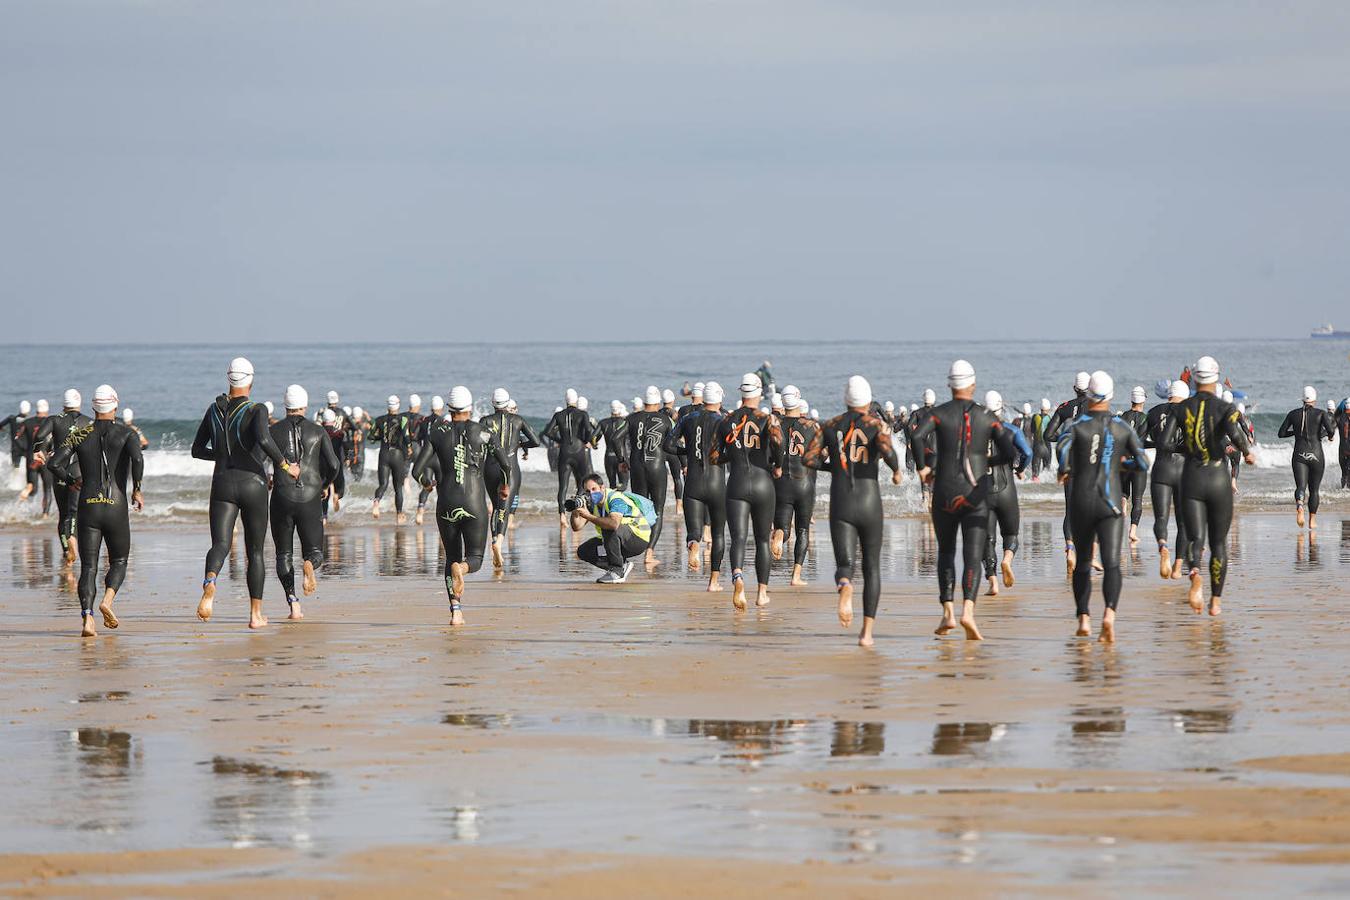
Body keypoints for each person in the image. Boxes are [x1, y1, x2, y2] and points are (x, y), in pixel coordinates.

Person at [908, 360, 1018, 640]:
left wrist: (923, 468)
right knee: (972, 552)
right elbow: (1008, 452)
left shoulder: (938, 413)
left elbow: (916, 436)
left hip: (945, 490)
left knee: (945, 551)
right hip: (975, 493)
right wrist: (984, 459)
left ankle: (947, 612)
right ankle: (968, 611)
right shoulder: (986, 416)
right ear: (973, 385)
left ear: (949, 384)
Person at [192, 358, 299, 629]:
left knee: (220, 545)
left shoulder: (213, 410)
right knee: (256, 552)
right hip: (253, 484)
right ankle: (255, 615)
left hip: (222, 484)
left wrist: (220, 454)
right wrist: (286, 466)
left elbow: (196, 450)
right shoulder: (257, 409)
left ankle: (210, 580)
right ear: (251, 381)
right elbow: (264, 440)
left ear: (229, 379)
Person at [804, 376, 902, 646]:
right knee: (871, 567)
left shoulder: (830, 425)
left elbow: (808, 458)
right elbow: (888, 451)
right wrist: (895, 470)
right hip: (869, 499)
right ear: (868, 401)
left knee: (845, 564)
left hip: (842, 500)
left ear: (846, 400)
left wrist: (835, 465)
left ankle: (845, 585)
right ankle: (867, 633)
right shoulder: (875, 424)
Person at [44, 385, 144, 638]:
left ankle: (88, 619)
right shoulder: (126, 433)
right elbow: (138, 459)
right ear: (116, 405)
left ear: (92, 407)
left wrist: (69, 480)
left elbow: (54, 462)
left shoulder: (80, 434)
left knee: (88, 567)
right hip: (116, 506)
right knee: (119, 560)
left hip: (88, 506)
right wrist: (137, 490)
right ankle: (107, 601)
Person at [1057, 372, 1149, 643]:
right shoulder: (1122, 427)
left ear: (1088, 395)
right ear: (1110, 396)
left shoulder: (1075, 425)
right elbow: (1143, 462)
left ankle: (1084, 618)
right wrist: (1122, 464)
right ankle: (1108, 615)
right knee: (1111, 564)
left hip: (1082, 502)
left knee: (1083, 564)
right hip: (1110, 502)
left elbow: (1062, 448)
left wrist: (1065, 469)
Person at [1159, 356, 1255, 616]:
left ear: (1195, 378)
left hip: (1191, 477)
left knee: (1195, 537)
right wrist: (1246, 452)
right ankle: (1215, 601)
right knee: (1219, 543)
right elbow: (1236, 434)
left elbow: (1165, 444)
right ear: (1215, 377)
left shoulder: (1180, 409)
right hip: (1218, 479)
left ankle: (1195, 576)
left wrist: (1188, 447)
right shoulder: (1225, 408)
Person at [413, 386, 510, 624]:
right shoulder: (483, 432)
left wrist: (426, 483)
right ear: (469, 407)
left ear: (449, 408)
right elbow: (506, 465)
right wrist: (504, 487)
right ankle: (464, 570)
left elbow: (417, 470)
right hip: (474, 503)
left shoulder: (437, 432)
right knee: (474, 556)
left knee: (450, 557)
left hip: (446, 503)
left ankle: (456, 611)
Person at [710, 373, 784, 610]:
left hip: (737, 482)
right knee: (763, 540)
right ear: (760, 392)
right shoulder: (767, 419)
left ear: (741, 392)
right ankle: (762, 593)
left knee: (738, 538)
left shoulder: (726, 420)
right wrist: (778, 465)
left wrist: (730, 455)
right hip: (763, 482)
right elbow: (778, 442)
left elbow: (713, 456)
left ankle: (738, 577)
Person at [269, 385, 340, 619]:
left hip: (281, 495)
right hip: (310, 495)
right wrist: (324, 485)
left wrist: (269, 479)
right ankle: (310, 564)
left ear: (285, 405)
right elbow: (334, 465)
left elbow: (259, 460)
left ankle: (293, 603)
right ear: (305, 405)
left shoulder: (272, 430)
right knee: (315, 551)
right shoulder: (318, 430)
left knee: (283, 555)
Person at [664, 381, 728, 588]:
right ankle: (714, 581)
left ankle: (693, 545)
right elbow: (734, 452)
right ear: (718, 399)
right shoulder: (724, 420)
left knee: (693, 532)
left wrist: (688, 452)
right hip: (716, 483)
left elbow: (668, 444)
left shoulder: (687, 418)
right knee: (717, 534)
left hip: (693, 483)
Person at [479, 388, 541, 567]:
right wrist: (520, 443)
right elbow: (536, 441)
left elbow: (479, 444)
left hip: (490, 468)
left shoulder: (485, 421)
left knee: (495, 507)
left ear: (493, 403)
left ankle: (493, 541)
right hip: (511, 468)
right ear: (508, 403)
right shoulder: (518, 420)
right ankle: (498, 541)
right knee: (503, 508)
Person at [33, 389, 92, 563]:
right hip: (79, 471)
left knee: (63, 513)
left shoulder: (54, 419)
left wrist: (38, 450)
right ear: (79, 402)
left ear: (64, 404)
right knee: (75, 512)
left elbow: (40, 436)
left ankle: (67, 549)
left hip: (59, 470)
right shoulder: (89, 422)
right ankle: (74, 539)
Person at [981, 390, 1031, 596]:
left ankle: (993, 582)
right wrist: (1019, 470)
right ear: (1001, 407)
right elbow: (1028, 452)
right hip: (1006, 489)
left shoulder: (975, 432)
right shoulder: (1011, 430)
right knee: (1010, 534)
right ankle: (1007, 560)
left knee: (987, 539)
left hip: (983, 491)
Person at [1043, 372, 1092, 573]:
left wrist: (1065, 438)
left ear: (1074, 388)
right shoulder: (1095, 407)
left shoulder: (1065, 407)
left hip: (1069, 462)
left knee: (1070, 509)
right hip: (1088, 463)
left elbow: (1048, 434)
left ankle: (1070, 548)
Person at [771, 386, 819, 586]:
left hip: (781, 482)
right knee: (803, 530)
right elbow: (820, 455)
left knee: (783, 525)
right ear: (799, 401)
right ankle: (796, 576)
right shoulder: (811, 425)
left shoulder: (774, 423)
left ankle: (780, 534)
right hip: (804, 482)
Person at [571, 472, 655, 583]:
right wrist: (576, 512)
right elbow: (577, 527)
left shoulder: (616, 499)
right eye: (587, 491)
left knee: (608, 525)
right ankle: (621, 566)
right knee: (584, 551)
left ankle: (617, 571)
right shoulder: (593, 504)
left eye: (594, 489)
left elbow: (613, 523)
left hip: (637, 539)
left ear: (602, 488)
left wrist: (588, 516)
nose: (591, 493)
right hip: (618, 540)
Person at [1144, 380, 1190, 579]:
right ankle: (1178, 566)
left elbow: (1138, 440)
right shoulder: (1190, 412)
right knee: (1183, 522)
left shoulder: (1154, 412)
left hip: (1161, 468)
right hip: (1184, 470)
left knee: (1161, 518)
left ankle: (1163, 546)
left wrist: (1156, 443)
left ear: (1168, 394)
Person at [627, 386, 673, 567]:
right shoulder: (665, 419)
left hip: (637, 467)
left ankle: (632, 547)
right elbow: (672, 445)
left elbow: (616, 439)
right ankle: (649, 553)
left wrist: (623, 459)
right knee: (658, 510)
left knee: (639, 509)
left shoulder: (631, 419)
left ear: (644, 401)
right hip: (657, 467)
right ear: (658, 401)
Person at [1278, 386, 1335, 530]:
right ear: (1314, 399)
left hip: (1299, 455)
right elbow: (1331, 431)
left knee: (1301, 487)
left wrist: (1296, 432)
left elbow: (1281, 433)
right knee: (1314, 490)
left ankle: (1300, 507)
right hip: (1316, 455)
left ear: (1302, 399)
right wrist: (1329, 436)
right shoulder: (1321, 413)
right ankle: (1312, 521)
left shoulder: (1293, 414)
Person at [543, 389, 594, 526]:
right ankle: (577, 512)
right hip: (579, 452)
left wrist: (560, 441)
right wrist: (586, 440)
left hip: (564, 452)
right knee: (581, 483)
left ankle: (562, 516)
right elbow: (589, 430)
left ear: (565, 400)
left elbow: (548, 432)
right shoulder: (583, 414)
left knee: (563, 486)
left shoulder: (558, 415)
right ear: (576, 400)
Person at [370, 396, 414, 523]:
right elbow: (406, 435)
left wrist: (381, 437)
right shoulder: (403, 419)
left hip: (384, 454)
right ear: (398, 405)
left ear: (387, 405)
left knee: (383, 485)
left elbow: (371, 437)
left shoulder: (378, 420)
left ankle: (376, 501)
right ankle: (399, 514)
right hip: (397, 455)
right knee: (398, 488)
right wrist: (410, 447)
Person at [1118, 386, 1150, 545]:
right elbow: (1142, 441)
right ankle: (1133, 531)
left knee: (1124, 492)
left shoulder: (1123, 416)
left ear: (1132, 399)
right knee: (1137, 499)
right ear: (1143, 399)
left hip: (1124, 460)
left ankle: (1123, 503)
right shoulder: (1145, 418)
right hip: (1138, 461)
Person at [412, 395, 446, 524]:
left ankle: (420, 512)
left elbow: (416, 437)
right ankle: (442, 516)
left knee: (426, 486)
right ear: (441, 408)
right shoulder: (444, 422)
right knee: (441, 489)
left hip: (426, 458)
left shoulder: (424, 420)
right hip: (439, 459)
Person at [592, 400, 630, 491]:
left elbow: (593, 436)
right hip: (622, 458)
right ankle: (621, 502)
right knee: (623, 485)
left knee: (612, 485)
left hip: (609, 458)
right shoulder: (625, 422)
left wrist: (594, 444)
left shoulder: (603, 423)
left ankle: (612, 502)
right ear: (620, 410)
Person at [18, 400, 49, 506]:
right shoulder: (51, 422)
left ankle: (21, 507)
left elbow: (17, 438)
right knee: (47, 489)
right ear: (47, 409)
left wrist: (25, 450)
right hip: (45, 458)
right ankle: (45, 515)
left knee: (32, 487)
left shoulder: (27, 422)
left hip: (32, 457)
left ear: (37, 409)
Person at [661, 388, 684, 513]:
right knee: (677, 478)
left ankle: (660, 503)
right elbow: (678, 435)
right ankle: (678, 505)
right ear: (673, 400)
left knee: (661, 478)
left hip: (661, 450)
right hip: (673, 450)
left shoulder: (658, 413)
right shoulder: (675, 414)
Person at [320, 407, 347, 517]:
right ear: (334, 420)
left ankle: (324, 517)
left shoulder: (318, 432)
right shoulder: (340, 433)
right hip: (337, 463)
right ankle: (337, 495)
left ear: (322, 420)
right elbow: (348, 447)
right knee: (340, 487)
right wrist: (348, 459)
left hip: (322, 464)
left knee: (324, 491)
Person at [2, 400, 32, 470]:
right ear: (28, 410)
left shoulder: (11, 418)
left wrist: (3, 430)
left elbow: (1, 425)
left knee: (15, 468)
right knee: (30, 469)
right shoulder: (30, 421)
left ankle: (13, 480)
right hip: (26, 448)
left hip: (15, 448)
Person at [1029, 398, 1053, 480]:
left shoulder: (1035, 417)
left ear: (1040, 408)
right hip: (1047, 447)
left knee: (1035, 475)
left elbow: (1032, 430)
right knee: (1047, 471)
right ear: (1048, 409)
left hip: (1037, 447)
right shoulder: (1050, 419)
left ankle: (1035, 489)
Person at [1337, 398, 1350, 489]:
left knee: (1344, 473)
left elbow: (1329, 429)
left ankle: (1343, 490)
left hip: (1342, 449)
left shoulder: (1339, 418)